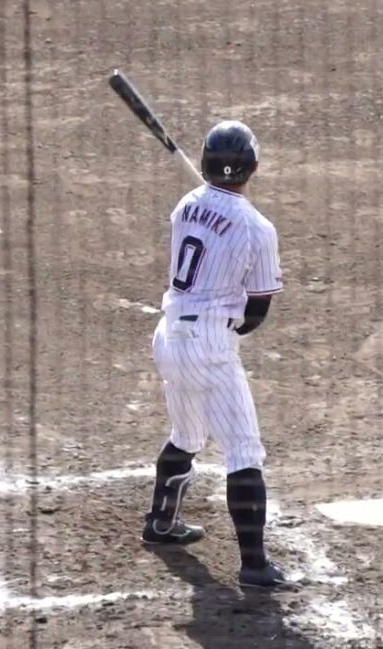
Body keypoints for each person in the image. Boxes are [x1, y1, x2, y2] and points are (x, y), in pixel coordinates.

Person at [141, 120, 292, 589]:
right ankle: (254, 566)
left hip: (168, 335)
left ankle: (161, 522)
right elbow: (257, 311)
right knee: (244, 451)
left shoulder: (185, 205)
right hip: (209, 343)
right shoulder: (258, 228)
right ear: (253, 167)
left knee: (187, 434)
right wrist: (231, 321)